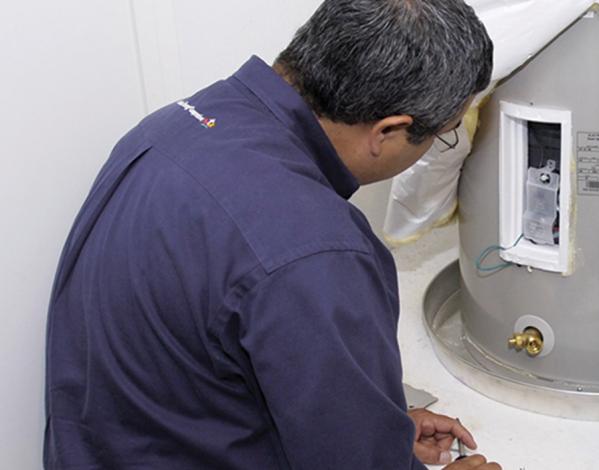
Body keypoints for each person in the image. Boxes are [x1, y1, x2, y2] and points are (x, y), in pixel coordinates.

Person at [44, 0, 499, 469]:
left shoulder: (176, 125)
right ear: (389, 130)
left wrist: (375, 425)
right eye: (441, 135)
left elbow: (201, 357)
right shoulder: (316, 255)